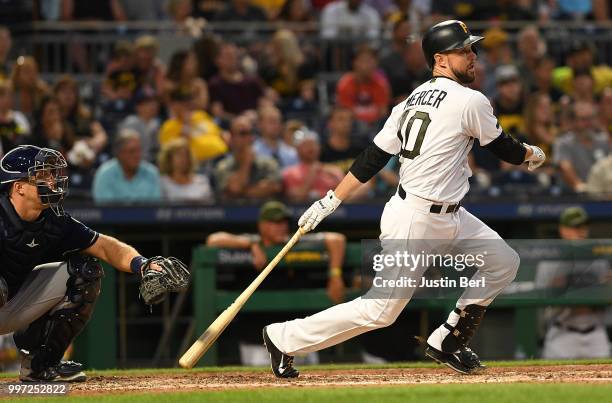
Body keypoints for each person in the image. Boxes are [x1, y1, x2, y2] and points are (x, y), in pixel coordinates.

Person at [261, 20, 546, 378]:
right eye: (464, 50)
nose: (473, 56)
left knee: (504, 261)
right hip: (416, 218)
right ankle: (283, 337)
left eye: (472, 49)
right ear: (440, 59)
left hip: (449, 215)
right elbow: (506, 149)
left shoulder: (409, 100)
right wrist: (534, 154)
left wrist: (332, 198)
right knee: (380, 311)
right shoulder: (470, 100)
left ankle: (448, 339)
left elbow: (372, 158)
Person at [0, 145, 188, 381]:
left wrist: (142, 264)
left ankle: (40, 366)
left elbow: (105, 247)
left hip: (12, 305)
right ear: (18, 187)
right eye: (42, 175)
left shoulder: (54, 220)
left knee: (84, 271)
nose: (52, 180)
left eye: (51, 173)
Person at [536, 207, 611, 359]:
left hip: (596, 333)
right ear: (563, 230)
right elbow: (540, 300)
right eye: (576, 227)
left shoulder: (599, 260)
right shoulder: (549, 262)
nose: (582, 231)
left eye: (584, 227)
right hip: (562, 333)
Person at [214, 114, 281, 200]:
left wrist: (243, 192)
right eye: (243, 133)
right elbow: (234, 189)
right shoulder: (223, 166)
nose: (249, 137)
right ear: (231, 137)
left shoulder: (268, 163)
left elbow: (273, 187)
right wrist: (246, 163)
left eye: (251, 132)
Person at [92, 129, 161, 203]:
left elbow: (155, 208)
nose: (137, 156)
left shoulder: (152, 173)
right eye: (132, 151)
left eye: (139, 151)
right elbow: (105, 209)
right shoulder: (105, 174)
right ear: (119, 153)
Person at [158, 138, 215, 204]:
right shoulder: (163, 183)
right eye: (179, 155)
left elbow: (210, 208)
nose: (183, 159)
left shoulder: (202, 181)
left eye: (186, 155)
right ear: (169, 159)